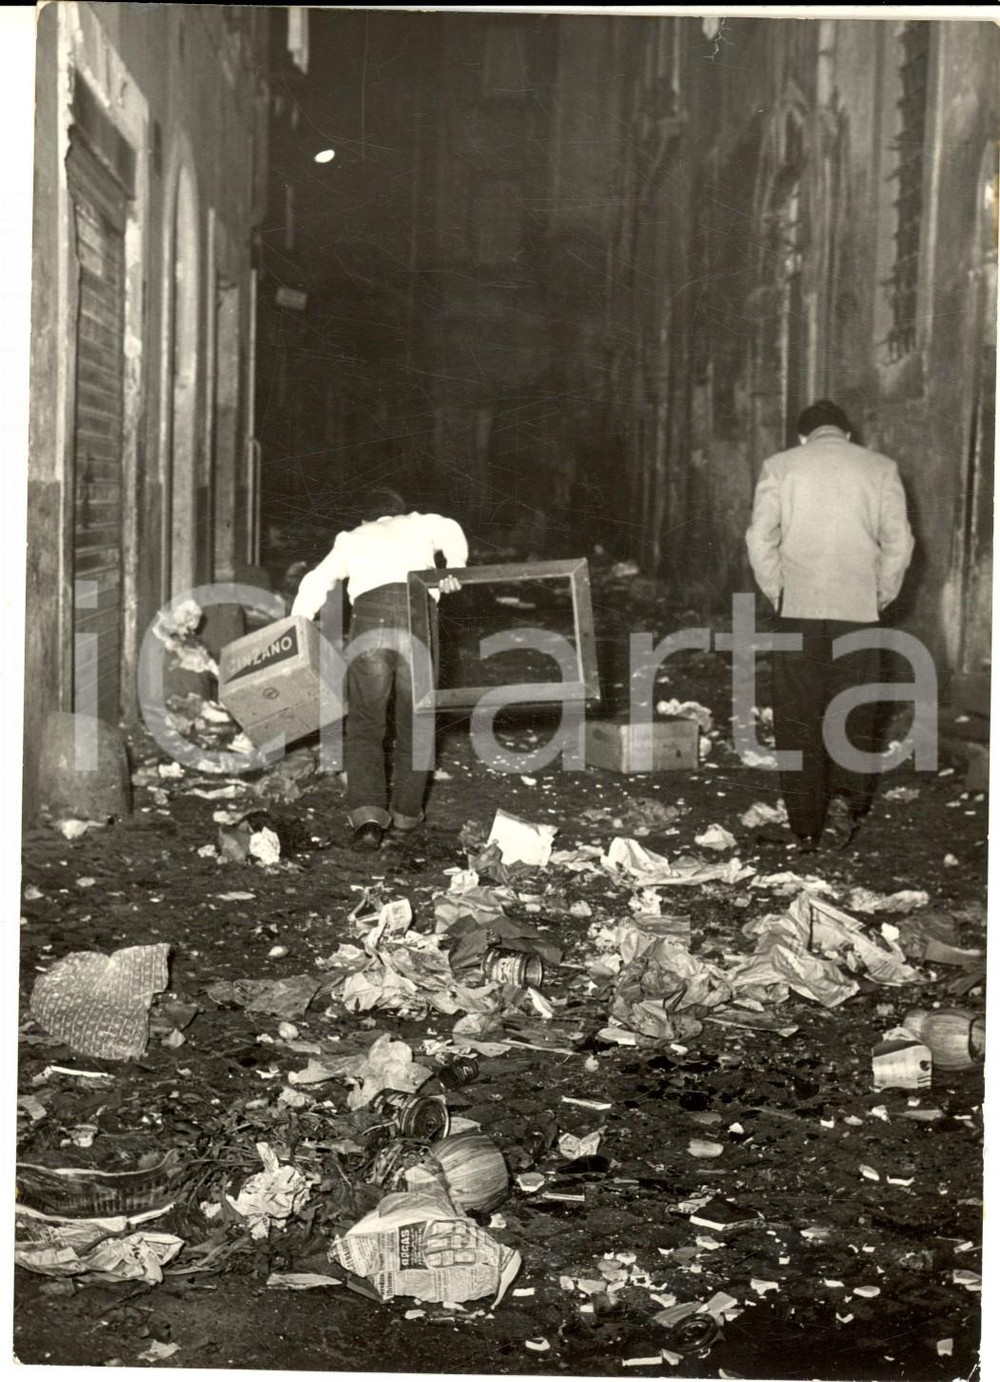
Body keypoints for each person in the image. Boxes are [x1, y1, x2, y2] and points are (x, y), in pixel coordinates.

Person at [745, 400, 915, 852]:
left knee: (798, 715)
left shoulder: (780, 466)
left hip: (798, 611)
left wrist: (777, 591)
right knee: (855, 712)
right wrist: (881, 593)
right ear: (847, 434)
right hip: (859, 612)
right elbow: (899, 543)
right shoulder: (880, 468)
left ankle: (805, 826)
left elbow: (760, 539)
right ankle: (848, 808)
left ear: (804, 437)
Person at [291, 488, 469, 852]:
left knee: (365, 722)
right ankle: (406, 814)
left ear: (363, 518)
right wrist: (454, 569)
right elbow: (452, 529)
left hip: (371, 618)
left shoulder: (352, 538)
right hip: (417, 615)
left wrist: (295, 626)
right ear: (399, 511)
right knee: (416, 719)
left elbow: (316, 581)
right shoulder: (420, 523)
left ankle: (368, 816)